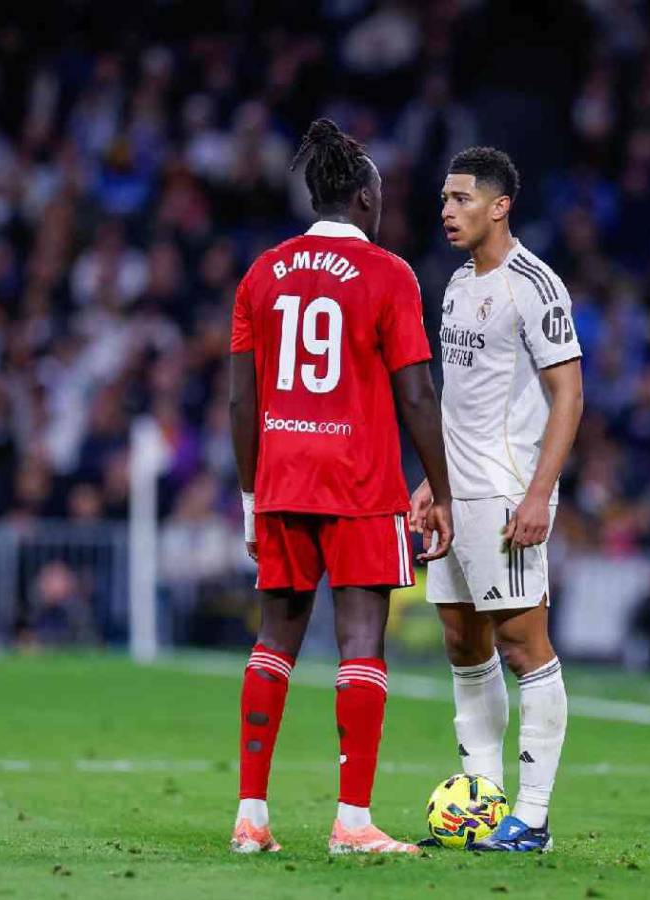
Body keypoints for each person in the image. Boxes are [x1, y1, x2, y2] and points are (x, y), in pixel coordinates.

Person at [228, 118, 454, 855]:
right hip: (360, 483)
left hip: (284, 480)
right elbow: (417, 395)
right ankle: (352, 821)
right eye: (378, 197)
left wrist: (248, 496)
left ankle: (251, 816)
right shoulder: (390, 275)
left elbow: (241, 399)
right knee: (360, 644)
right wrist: (441, 489)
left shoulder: (262, 272)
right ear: (362, 199)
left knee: (274, 643)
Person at [409, 147, 584, 852]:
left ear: (499, 204)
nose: (447, 211)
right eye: (445, 200)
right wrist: (433, 480)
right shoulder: (455, 284)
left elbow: (568, 392)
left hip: (509, 490)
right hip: (460, 491)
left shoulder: (533, 284)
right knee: (462, 640)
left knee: (522, 643)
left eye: (460, 199)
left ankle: (533, 819)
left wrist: (540, 494)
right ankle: (481, 809)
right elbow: (459, 398)